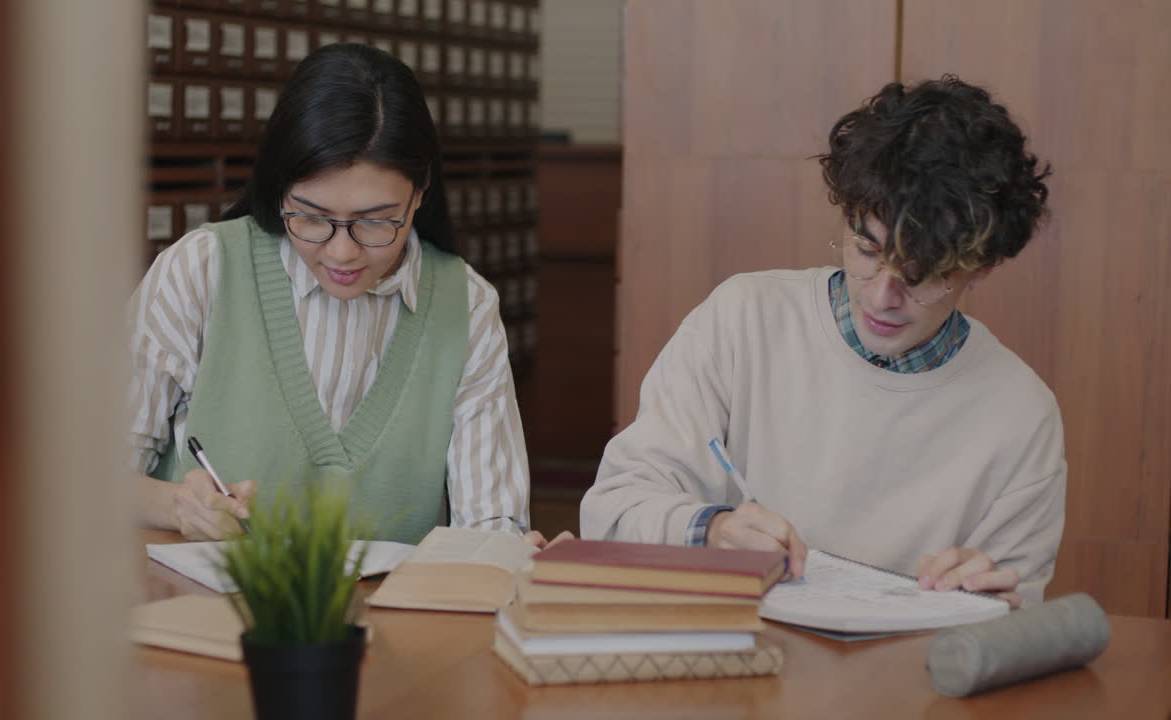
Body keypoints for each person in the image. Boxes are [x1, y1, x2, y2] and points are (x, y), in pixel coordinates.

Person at [580, 76, 1063, 606]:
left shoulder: (1020, 414)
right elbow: (611, 510)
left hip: (904, 682)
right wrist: (711, 529)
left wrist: (990, 602)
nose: (881, 297)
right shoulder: (744, 321)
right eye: (866, 249)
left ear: (981, 268)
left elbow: (1018, 624)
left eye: (921, 272)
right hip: (734, 662)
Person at [129, 44, 565, 548]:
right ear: (278, 189)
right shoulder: (201, 271)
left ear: (420, 193)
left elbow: (492, 519)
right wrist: (178, 505)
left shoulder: (465, 306)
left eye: (376, 221)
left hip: (385, 624)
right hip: (202, 617)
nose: (341, 253)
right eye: (311, 216)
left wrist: (508, 550)